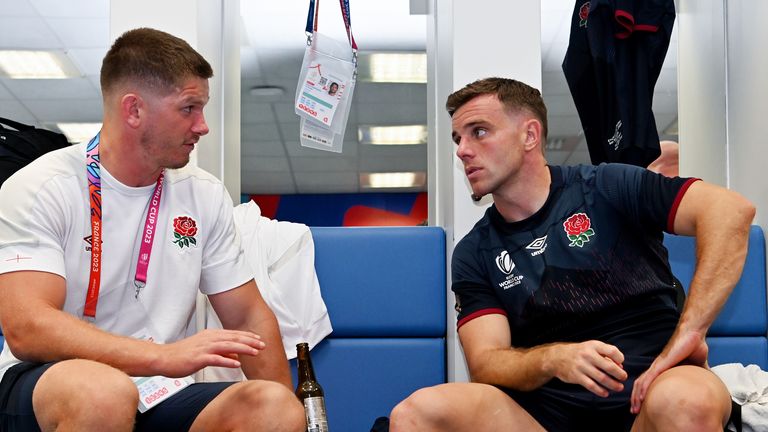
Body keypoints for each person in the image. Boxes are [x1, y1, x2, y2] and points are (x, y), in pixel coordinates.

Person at [389, 77, 755, 431]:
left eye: (479, 132)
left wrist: (691, 331)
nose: (463, 150)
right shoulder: (474, 251)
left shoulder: (607, 186)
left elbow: (729, 211)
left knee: (688, 401)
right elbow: (485, 363)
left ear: (529, 135)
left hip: (650, 392)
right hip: (544, 415)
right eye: (458, 138)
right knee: (416, 413)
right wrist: (555, 357)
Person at [0, 28, 305, 432]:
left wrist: (292, 411)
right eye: (188, 109)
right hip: (52, 381)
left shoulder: (203, 194)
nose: (203, 126)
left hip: (158, 389)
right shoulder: (41, 186)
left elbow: (248, 315)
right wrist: (162, 356)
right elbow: (28, 328)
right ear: (134, 110)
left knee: (274, 408)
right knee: (104, 392)